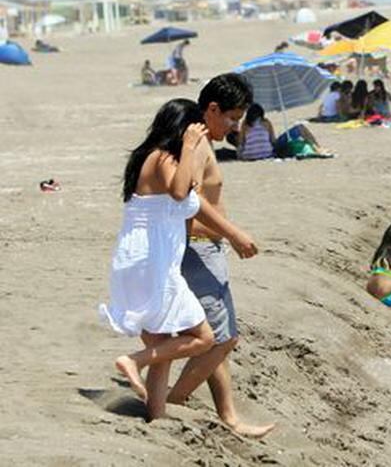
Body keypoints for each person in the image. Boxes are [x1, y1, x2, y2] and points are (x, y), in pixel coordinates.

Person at [100, 99, 256, 420]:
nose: (200, 134)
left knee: (164, 344)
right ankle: (134, 361)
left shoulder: (152, 156)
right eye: (194, 128)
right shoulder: (162, 157)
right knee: (203, 337)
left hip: (142, 258)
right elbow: (180, 193)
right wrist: (189, 147)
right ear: (182, 128)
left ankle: (156, 416)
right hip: (151, 262)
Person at [165, 74, 275, 438]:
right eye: (231, 118)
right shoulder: (196, 145)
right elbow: (190, 202)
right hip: (198, 251)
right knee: (222, 339)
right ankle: (174, 401)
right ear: (212, 109)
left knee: (217, 338)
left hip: (206, 250)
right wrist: (234, 233)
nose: (235, 126)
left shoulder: (201, 140)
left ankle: (227, 415)